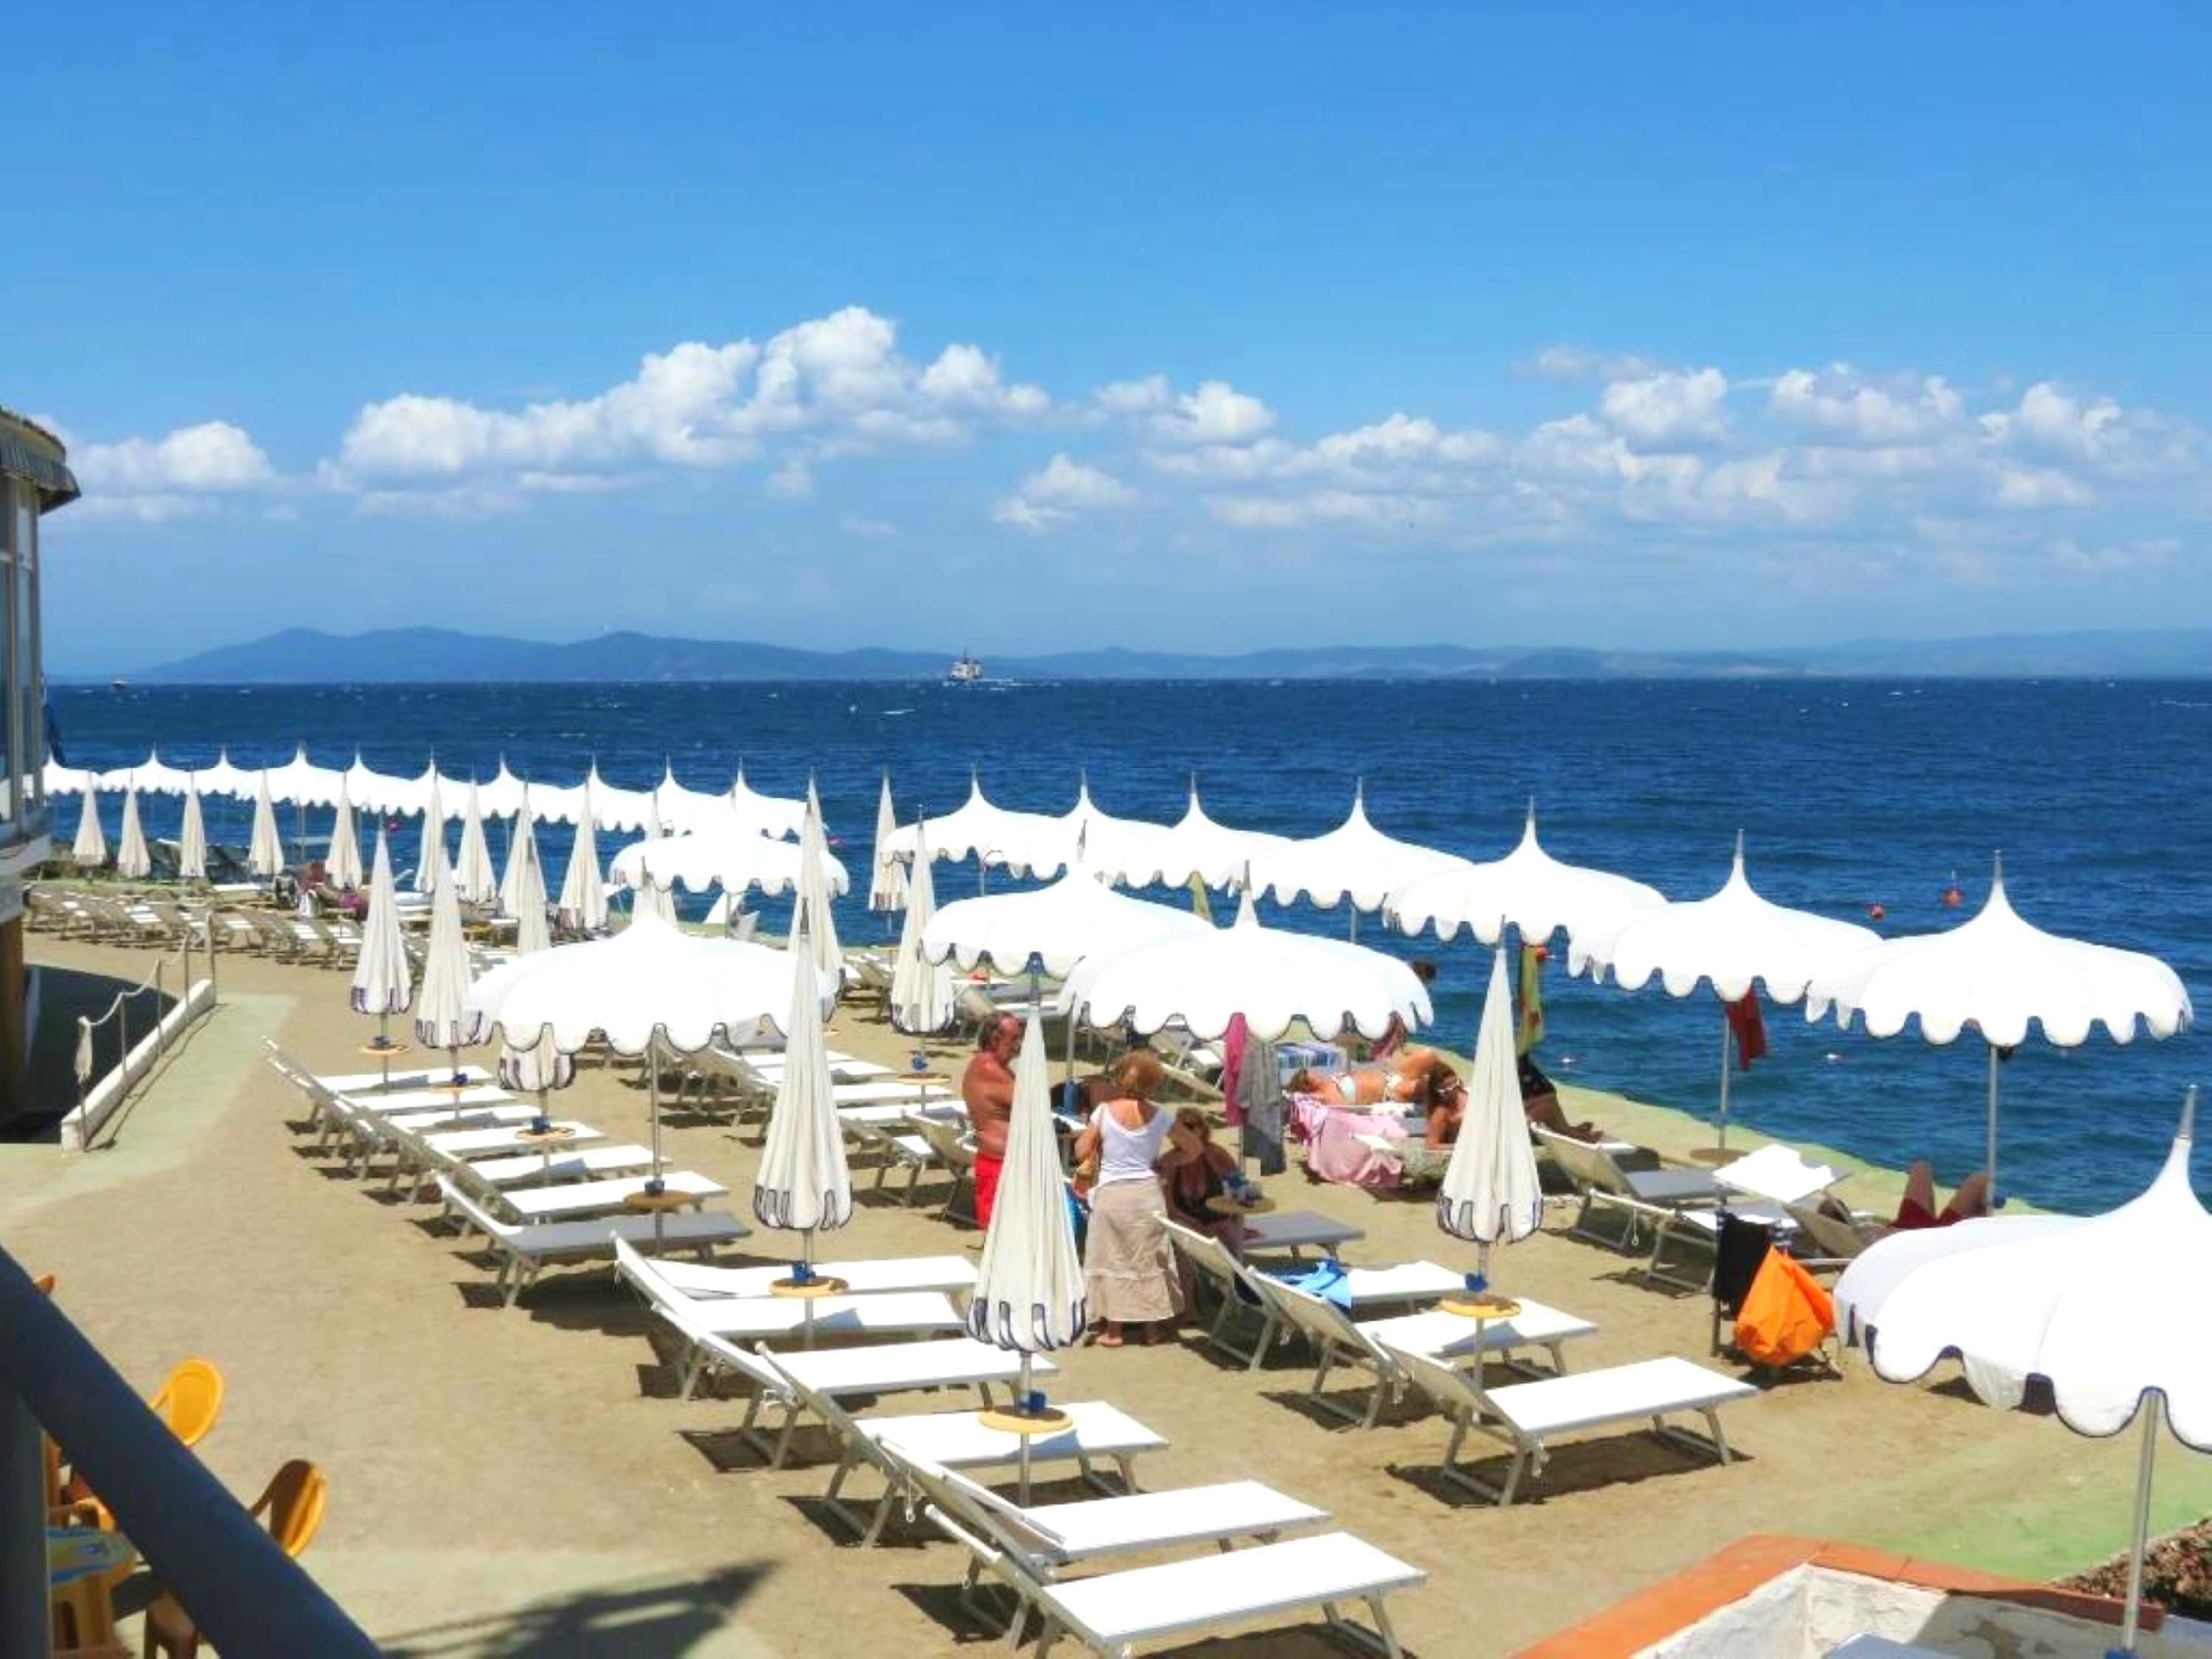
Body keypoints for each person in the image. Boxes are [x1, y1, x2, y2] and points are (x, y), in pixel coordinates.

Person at [1074, 1050, 1195, 1347]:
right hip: (1146, 1195)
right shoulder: (1160, 1115)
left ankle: (1114, 1330)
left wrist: (1099, 1147)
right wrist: (1167, 1161)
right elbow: (1193, 1148)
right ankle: (1151, 1329)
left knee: (1112, 1257)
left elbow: (1081, 1151)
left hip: (1112, 1194)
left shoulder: (1104, 1111)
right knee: (1147, 1260)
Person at [960, 1013, 1020, 1229]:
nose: (1018, 1045)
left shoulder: (997, 1068)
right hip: (998, 1162)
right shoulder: (988, 1069)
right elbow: (1030, 1104)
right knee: (1001, 1234)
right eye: (1013, 1039)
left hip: (1002, 1161)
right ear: (995, 1039)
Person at [1287, 1045, 1449, 1110]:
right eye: (1312, 1076)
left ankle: (1444, 1087)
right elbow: (1301, 1099)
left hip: (1393, 1074)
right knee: (1436, 1085)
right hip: (1391, 1090)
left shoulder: (1331, 1080)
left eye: (1313, 1072)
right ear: (1308, 1086)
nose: (1317, 1074)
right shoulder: (1326, 1097)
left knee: (1429, 1055)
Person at [1518, 1053, 1605, 1141]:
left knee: (1550, 1103)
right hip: (1520, 1117)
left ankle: (1567, 1130)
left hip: (1527, 1104)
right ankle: (1572, 1135)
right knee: (1547, 1106)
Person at [1370, 960, 1438, 1059]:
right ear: (1423, 977)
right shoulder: (1411, 981)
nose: (1427, 985)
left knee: (1395, 1029)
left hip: (1380, 1005)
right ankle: (1383, 1056)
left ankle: (1383, 1053)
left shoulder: (1402, 971)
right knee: (1399, 1028)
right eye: (1427, 982)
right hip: (1388, 1009)